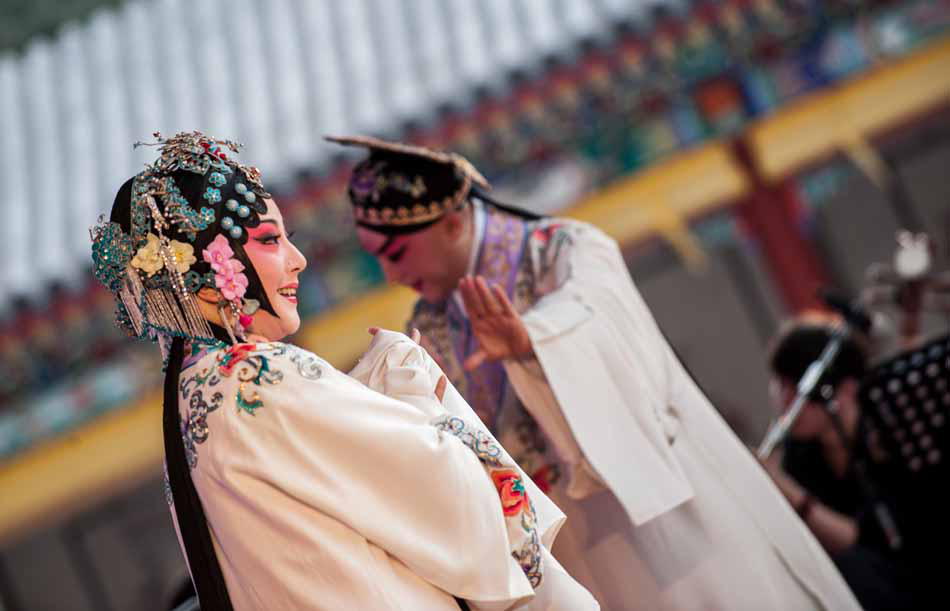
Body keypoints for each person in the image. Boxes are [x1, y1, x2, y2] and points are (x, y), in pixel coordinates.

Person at [330, 134, 863, 610]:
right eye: (378, 257)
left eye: (397, 252)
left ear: (451, 222)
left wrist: (533, 342)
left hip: (663, 515)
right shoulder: (428, 323)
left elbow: (597, 309)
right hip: (569, 544)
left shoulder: (567, 250)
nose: (392, 275)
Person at [90, 131, 595, 610]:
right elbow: (441, 494)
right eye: (270, 241)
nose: (299, 260)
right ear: (205, 277)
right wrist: (411, 387)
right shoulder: (255, 376)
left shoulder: (188, 400)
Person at [764, 314, 931, 609]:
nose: (784, 399)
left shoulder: (894, 431)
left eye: (794, 386)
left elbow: (861, 540)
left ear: (845, 389)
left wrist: (787, 491)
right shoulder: (799, 453)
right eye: (780, 384)